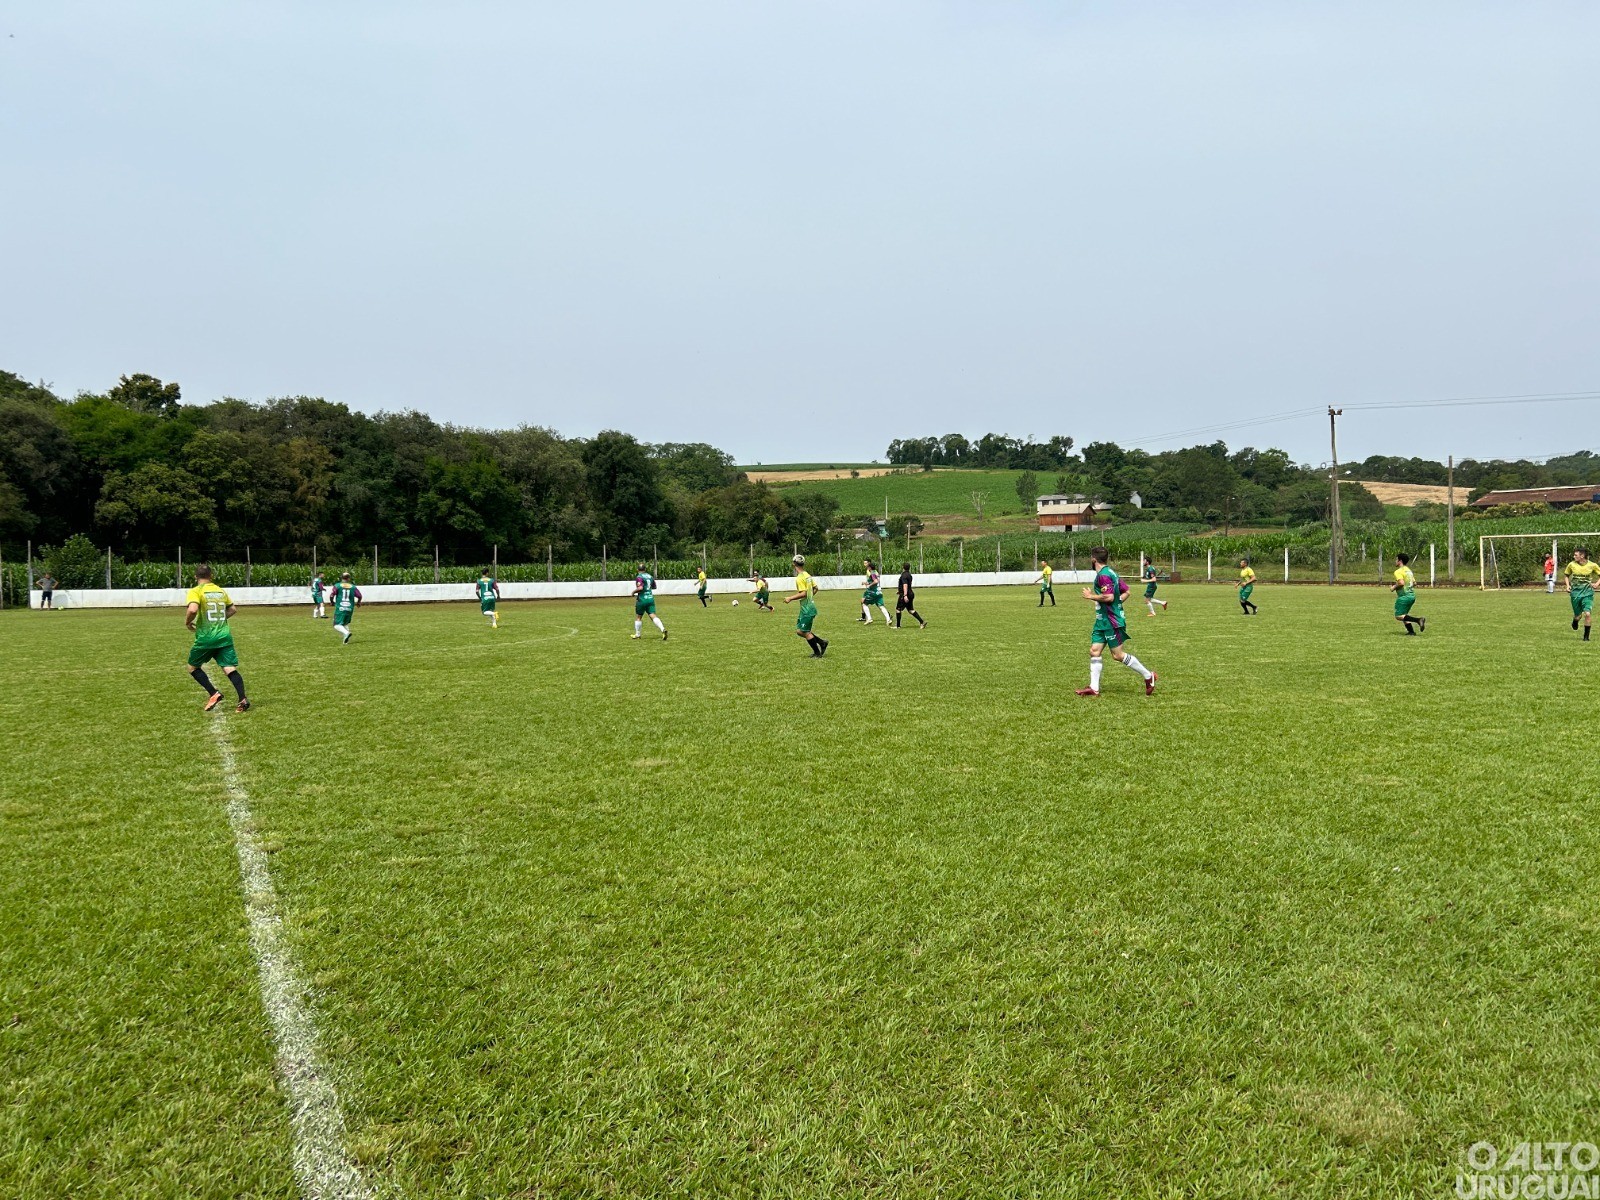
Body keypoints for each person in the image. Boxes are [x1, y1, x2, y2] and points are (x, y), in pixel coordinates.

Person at [1075, 547, 1156, 698]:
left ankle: (1148, 676)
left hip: (1112, 621)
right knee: (1094, 651)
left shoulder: (1104, 576)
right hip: (1102, 621)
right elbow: (1127, 592)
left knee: (1117, 655)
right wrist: (1116, 605)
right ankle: (1094, 688)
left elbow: (1109, 597)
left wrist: (1090, 596)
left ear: (1094, 559)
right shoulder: (1111, 573)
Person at [183, 563, 250, 712]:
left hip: (207, 637)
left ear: (195, 577)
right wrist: (219, 619)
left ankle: (214, 693)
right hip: (224, 636)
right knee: (229, 667)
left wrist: (187, 622)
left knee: (192, 667)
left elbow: (193, 609)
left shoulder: (196, 591)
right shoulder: (220, 591)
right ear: (211, 576)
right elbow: (232, 609)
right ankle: (242, 699)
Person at [784, 554, 827, 657]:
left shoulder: (799, 578)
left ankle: (818, 653)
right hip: (807, 607)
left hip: (807, 608)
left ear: (794, 564)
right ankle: (822, 642)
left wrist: (790, 598)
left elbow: (803, 593)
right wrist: (810, 597)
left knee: (804, 632)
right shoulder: (807, 575)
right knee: (800, 631)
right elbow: (816, 588)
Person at [1565, 547, 1600, 641]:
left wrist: (1596, 584)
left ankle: (1586, 637)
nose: (1574, 556)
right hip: (1575, 594)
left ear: (1582, 556)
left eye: (1576, 555)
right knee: (1578, 615)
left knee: (1587, 614)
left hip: (1588, 593)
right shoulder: (1571, 565)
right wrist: (1568, 586)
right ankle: (1575, 621)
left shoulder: (1592, 565)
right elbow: (1566, 575)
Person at [1391, 552, 1425, 634]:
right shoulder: (1409, 571)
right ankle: (1411, 632)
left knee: (1398, 616)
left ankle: (1418, 620)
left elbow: (1401, 583)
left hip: (1404, 597)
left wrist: (1393, 587)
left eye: (1396, 559)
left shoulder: (1398, 571)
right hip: (1411, 596)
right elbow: (1414, 583)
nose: (1395, 561)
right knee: (1404, 615)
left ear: (1400, 561)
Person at [632, 562, 667, 641]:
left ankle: (637, 634)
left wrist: (633, 592)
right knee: (653, 615)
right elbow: (654, 587)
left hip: (642, 599)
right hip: (650, 598)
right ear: (645, 569)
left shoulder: (639, 577)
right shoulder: (650, 576)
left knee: (639, 617)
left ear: (637, 570)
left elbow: (640, 588)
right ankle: (663, 629)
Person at [329, 571, 361, 644]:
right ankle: (345, 641)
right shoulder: (353, 587)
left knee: (336, 625)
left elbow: (332, 595)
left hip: (341, 608)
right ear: (348, 578)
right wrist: (358, 602)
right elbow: (359, 596)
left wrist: (331, 602)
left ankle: (346, 633)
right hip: (350, 608)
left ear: (341, 577)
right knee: (345, 624)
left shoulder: (337, 585)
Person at [859, 560, 891, 627]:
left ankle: (869, 618)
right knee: (881, 606)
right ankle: (888, 619)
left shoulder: (872, 573)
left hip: (872, 593)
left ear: (870, 567)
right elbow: (876, 580)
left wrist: (870, 585)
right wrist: (865, 583)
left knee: (864, 603)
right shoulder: (875, 573)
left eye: (868, 567)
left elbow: (875, 581)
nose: (867, 568)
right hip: (878, 592)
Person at [895, 562, 926, 629]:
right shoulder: (909, 575)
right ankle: (922, 622)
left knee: (898, 609)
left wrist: (905, 595)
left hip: (905, 594)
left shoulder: (903, 575)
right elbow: (908, 584)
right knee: (910, 610)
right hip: (910, 593)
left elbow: (905, 585)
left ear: (903, 567)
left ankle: (898, 626)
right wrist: (900, 591)